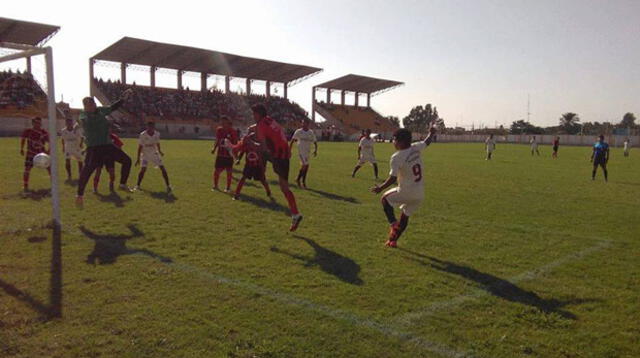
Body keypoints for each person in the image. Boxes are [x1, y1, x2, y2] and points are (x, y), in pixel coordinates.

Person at [370, 125, 437, 248]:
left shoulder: (396, 157)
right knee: (405, 216)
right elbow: (427, 142)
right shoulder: (416, 147)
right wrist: (431, 133)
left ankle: (393, 224)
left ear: (400, 142)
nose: (393, 142)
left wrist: (380, 188)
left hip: (406, 191)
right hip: (419, 194)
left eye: (394, 139)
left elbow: (393, 178)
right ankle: (393, 241)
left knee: (385, 199)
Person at [76, 90, 134, 207]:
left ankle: (122, 184)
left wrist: (123, 99)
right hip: (94, 147)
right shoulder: (84, 115)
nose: (91, 106)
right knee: (87, 171)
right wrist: (84, 121)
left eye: (92, 104)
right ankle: (79, 195)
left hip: (107, 145)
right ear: (85, 107)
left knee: (127, 161)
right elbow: (82, 120)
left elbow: (112, 107)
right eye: (88, 105)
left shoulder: (101, 110)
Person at [252, 104, 303, 231]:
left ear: (259, 114)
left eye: (254, 114)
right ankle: (295, 213)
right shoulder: (270, 120)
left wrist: (250, 142)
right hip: (284, 154)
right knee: (284, 187)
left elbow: (263, 146)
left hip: (277, 156)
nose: (253, 116)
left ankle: (296, 214)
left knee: (284, 187)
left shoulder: (261, 125)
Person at [231, 127, 271, 200]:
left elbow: (262, 149)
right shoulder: (248, 138)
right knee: (243, 178)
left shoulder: (261, 139)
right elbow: (242, 149)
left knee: (262, 180)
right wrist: (237, 157)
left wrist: (264, 165)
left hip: (258, 165)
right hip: (249, 164)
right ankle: (236, 194)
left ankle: (268, 191)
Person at [134, 121, 171, 192]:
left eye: (152, 127)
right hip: (145, 154)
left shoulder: (157, 134)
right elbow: (140, 147)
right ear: (147, 127)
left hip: (154, 154)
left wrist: (160, 151)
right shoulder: (143, 134)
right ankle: (137, 186)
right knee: (143, 170)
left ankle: (168, 186)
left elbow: (157, 143)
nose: (151, 128)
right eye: (149, 127)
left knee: (163, 168)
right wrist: (138, 158)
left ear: (154, 127)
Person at [20, 117, 50, 191]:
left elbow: (50, 142)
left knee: (50, 168)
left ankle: (53, 184)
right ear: (33, 123)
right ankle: (25, 185)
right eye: (36, 123)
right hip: (30, 154)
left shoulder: (44, 132)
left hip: (42, 155)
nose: (38, 124)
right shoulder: (28, 131)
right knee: (27, 169)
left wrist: (48, 151)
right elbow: (23, 139)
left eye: (39, 123)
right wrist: (22, 148)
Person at [211, 116, 238, 192]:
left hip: (229, 155)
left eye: (224, 122)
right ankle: (215, 186)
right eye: (221, 122)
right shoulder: (219, 130)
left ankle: (228, 188)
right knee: (217, 171)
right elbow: (217, 140)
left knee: (229, 172)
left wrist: (235, 153)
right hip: (220, 154)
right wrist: (214, 148)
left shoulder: (233, 131)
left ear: (227, 122)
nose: (222, 123)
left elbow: (235, 143)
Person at [290, 119, 318, 188]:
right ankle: (302, 181)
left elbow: (315, 141)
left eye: (305, 123)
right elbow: (292, 140)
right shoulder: (299, 131)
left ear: (308, 124)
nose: (304, 124)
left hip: (307, 151)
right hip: (301, 151)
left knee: (306, 166)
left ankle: (298, 179)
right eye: (303, 123)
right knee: (305, 165)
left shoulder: (310, 132)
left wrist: (315, 150)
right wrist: (289, 149)